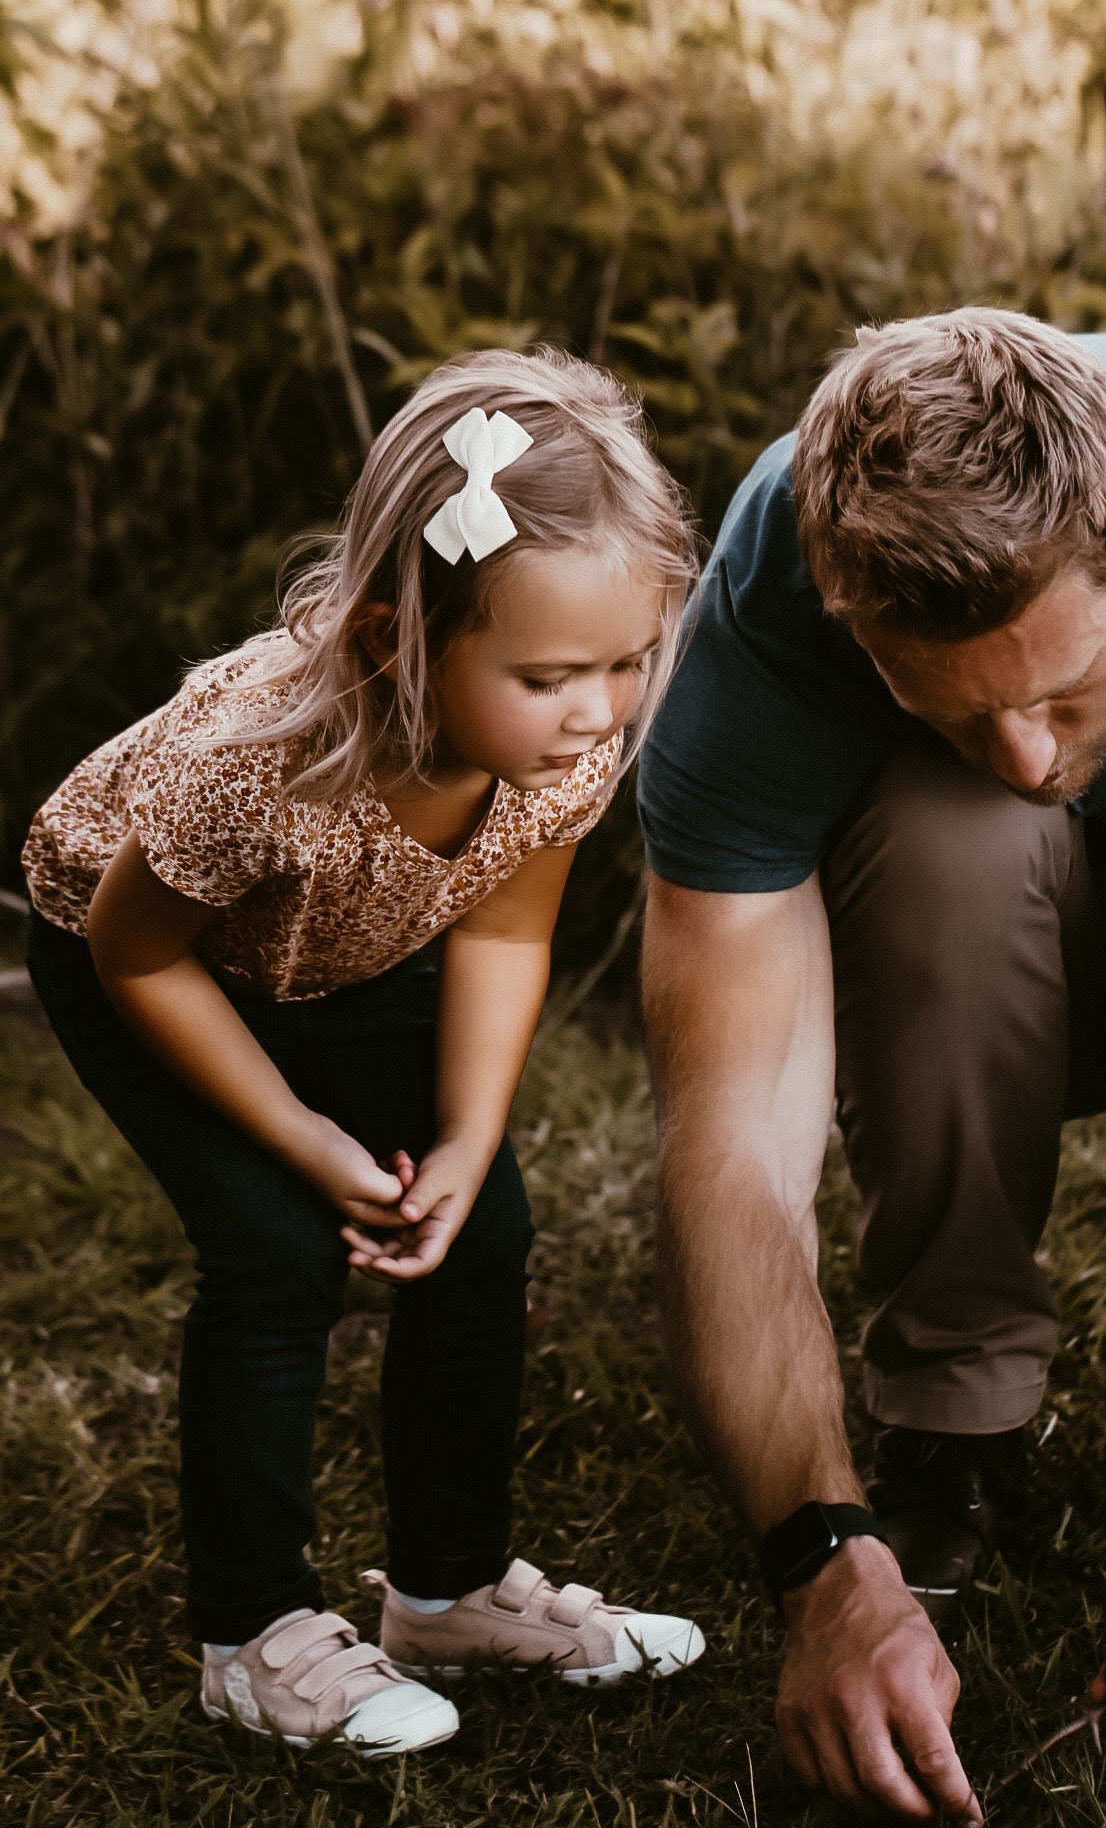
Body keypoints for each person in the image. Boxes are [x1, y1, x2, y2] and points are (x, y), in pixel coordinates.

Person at [638, 309, 1106, 1821]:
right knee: (956, 834)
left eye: (1058, 695)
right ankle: (952, 1436)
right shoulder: (776, 594)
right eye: (951, 701)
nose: (1030, 755)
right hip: (981, 952)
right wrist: (819, 1561)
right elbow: (727, 1144)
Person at [23, 349, 705, 1756]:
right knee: (277, 1249)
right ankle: (250, 1637)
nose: (599, 710)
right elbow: (133, 948)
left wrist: (464, 1139)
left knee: (479, 1229)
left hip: (354, 950)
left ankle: (448, 1592)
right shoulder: (259, 762)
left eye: (629, 663)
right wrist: (298, 1136)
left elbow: (506, 930)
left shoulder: (558, 742)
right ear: (401, 640)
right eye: (551, 674)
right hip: (148, 958)